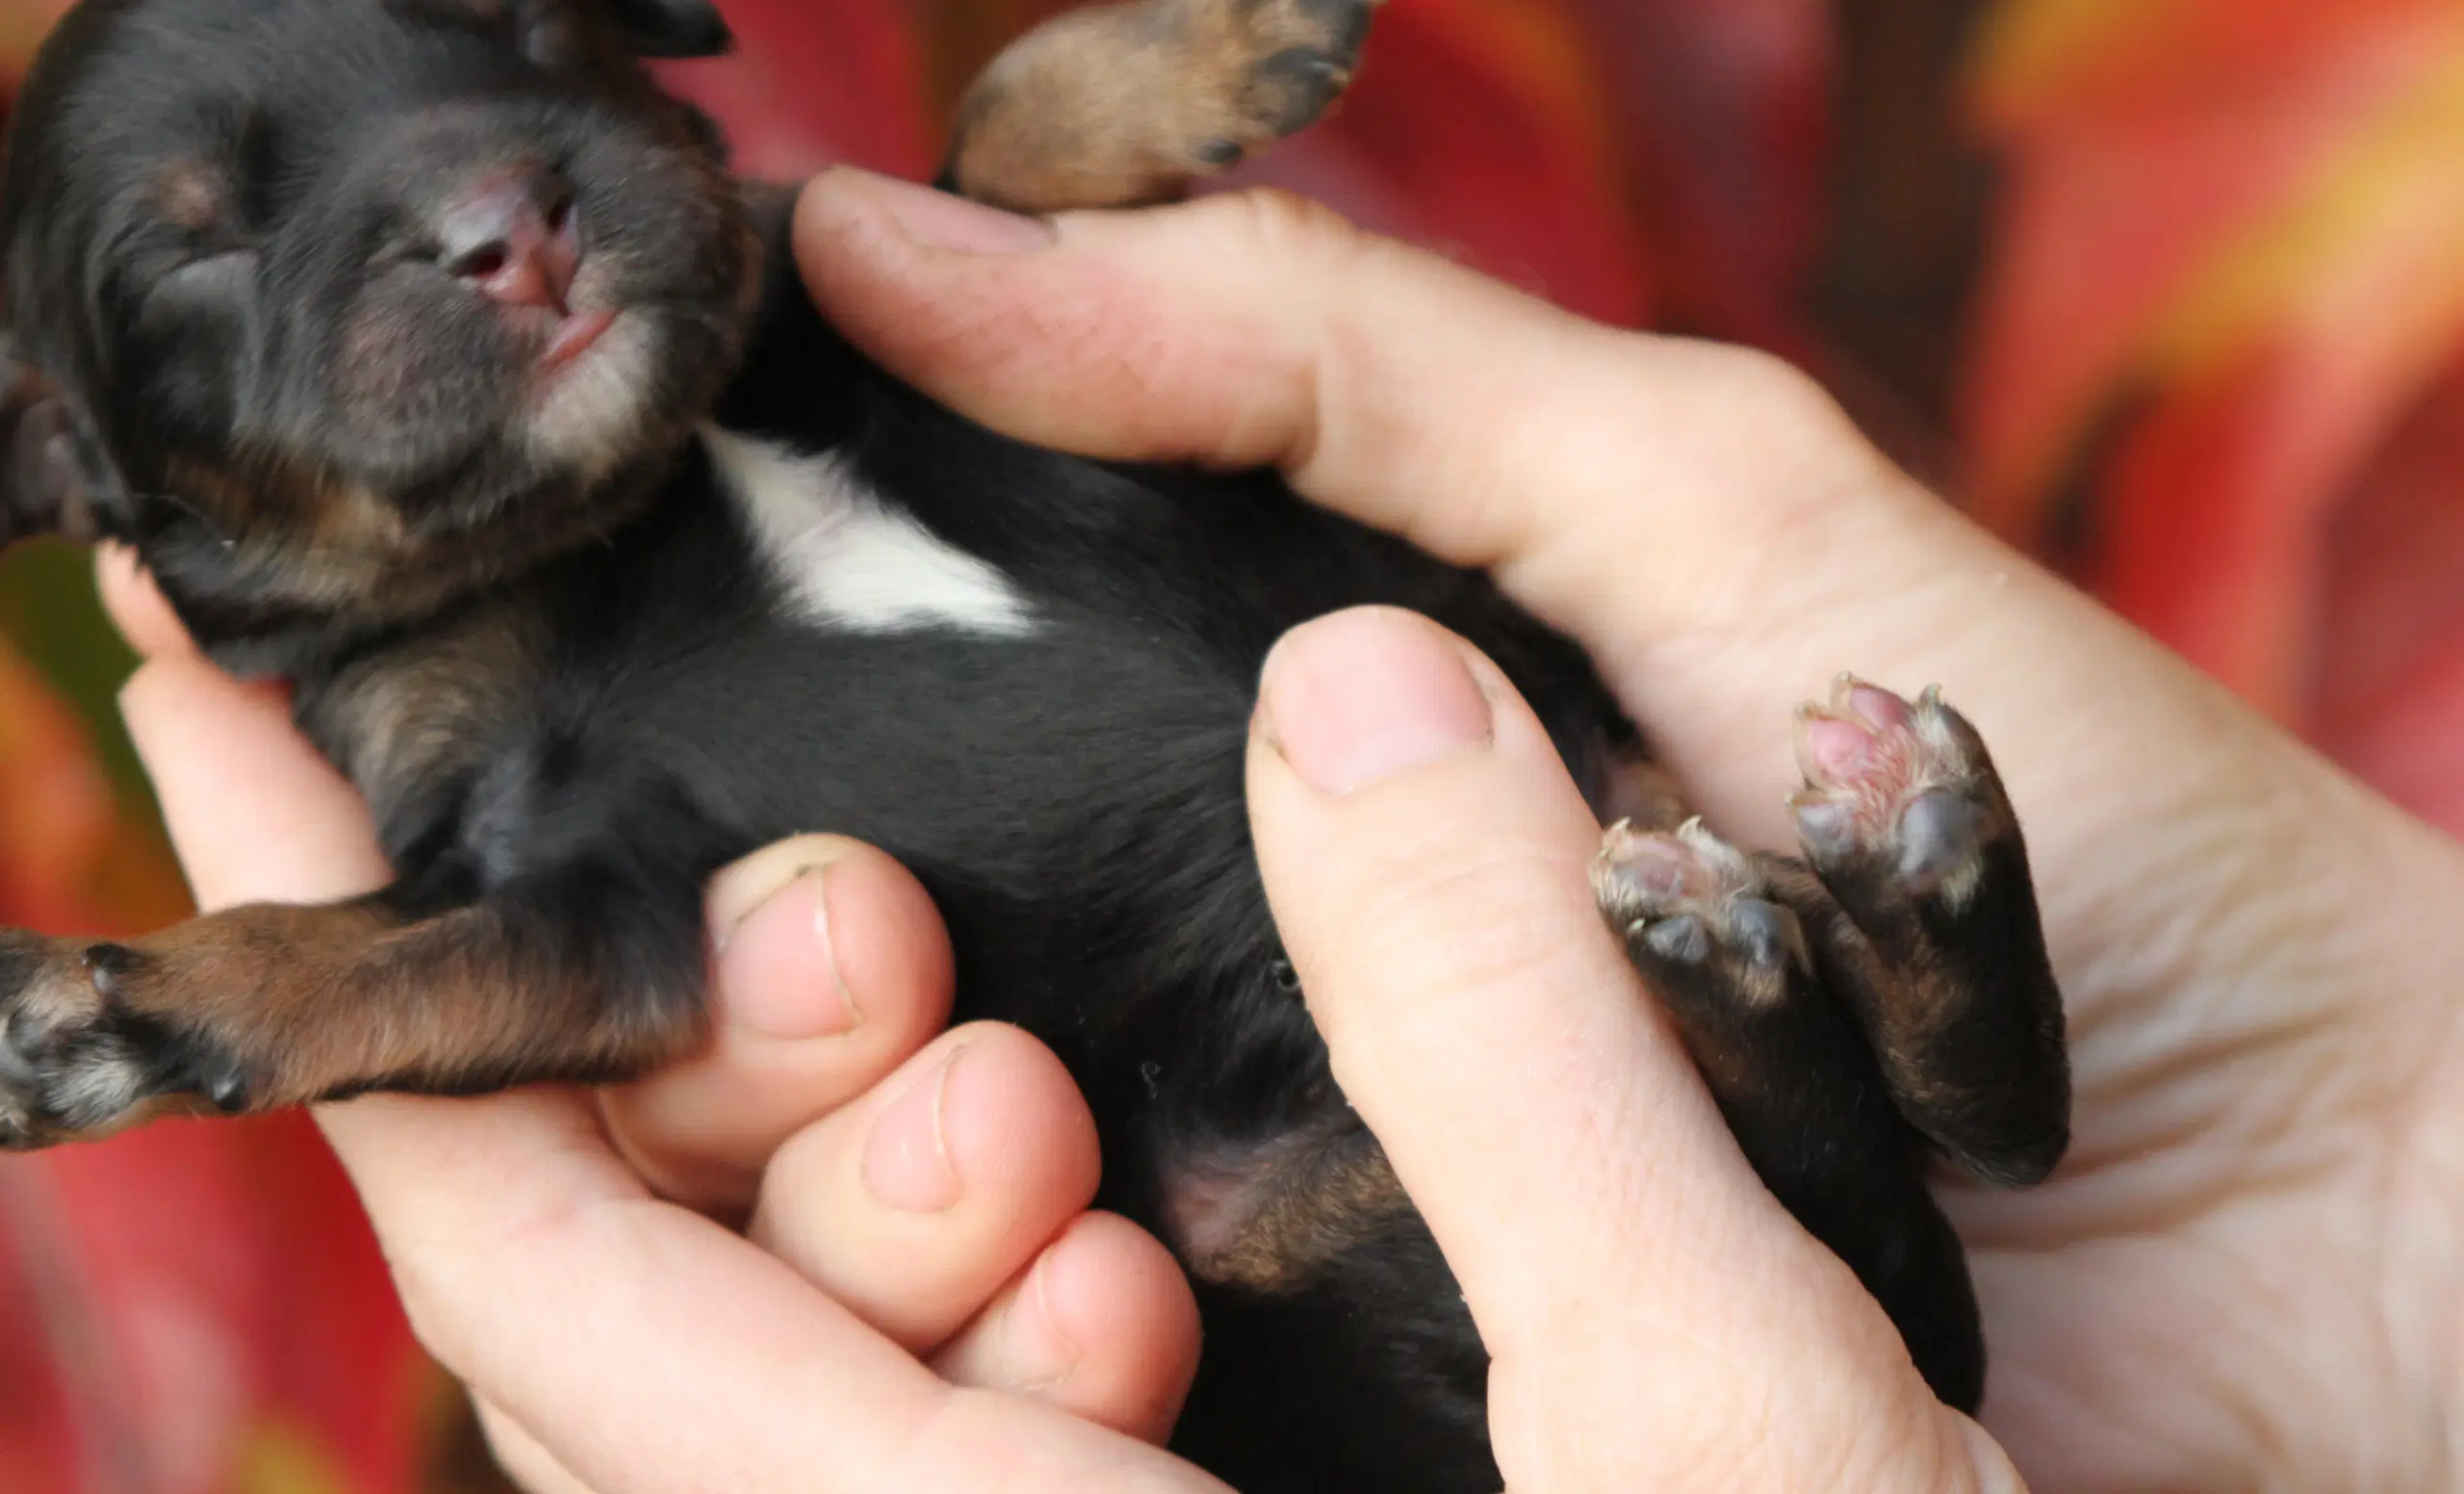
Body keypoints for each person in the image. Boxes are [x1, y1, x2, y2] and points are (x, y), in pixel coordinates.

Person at [97, 170, 2464, 1492]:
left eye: (509, 50)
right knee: (1159, 1281)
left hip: (1656, 1031)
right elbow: (562, 948)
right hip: (1271, 1250)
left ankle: (1873, 998)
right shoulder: (455, 718)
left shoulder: (828, 324)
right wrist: (269, 992)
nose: (479, 202)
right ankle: (1843, 990)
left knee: (1862, 1189)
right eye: (213, 247)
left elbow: (982, 234)